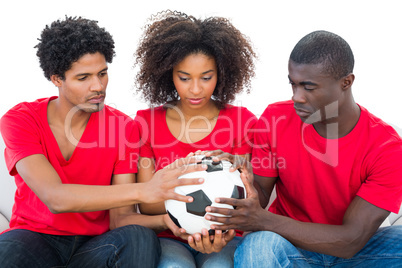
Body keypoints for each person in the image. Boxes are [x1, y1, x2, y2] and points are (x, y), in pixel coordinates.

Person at [0, 16, 206, 268]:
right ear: (56, 79)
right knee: (7, 249)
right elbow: (55, 198)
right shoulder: (21, 120)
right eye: (83, 77)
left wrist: (169, 220)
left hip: (95, 245)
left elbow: (121, 219)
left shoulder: (124, 128)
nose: (98, 86)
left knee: (140, 237)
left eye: (102, 73)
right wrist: (146, 190)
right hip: (35, 239)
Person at [203, 30, 402, 267]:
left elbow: (350, 241)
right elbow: (261, 194)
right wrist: (236, 177)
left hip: (357, 252)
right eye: (293, 84)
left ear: (346, 82)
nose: (297, 97)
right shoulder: (275, 118)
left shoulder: (387, 148)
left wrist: (263, 220)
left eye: (308, 87)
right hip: (288, 244)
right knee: (258, 246)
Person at [131, 10, 257, 268]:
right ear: (169, 74)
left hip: (226, 236)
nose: (196, 89)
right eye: (184, 78)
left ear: (221, 73)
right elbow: (147, 205)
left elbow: (244, 197)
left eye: (206, 77)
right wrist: (185, 217)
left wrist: (216, 227)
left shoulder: (242, 121)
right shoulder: (146, 122)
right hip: (169, 237)